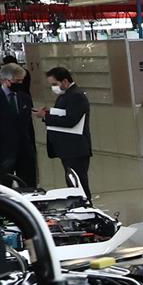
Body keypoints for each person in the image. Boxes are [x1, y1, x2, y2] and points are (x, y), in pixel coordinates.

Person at [36, 67, 93, 201]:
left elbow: (70, 120)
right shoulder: (66, 95)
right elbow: (63, 113)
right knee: (72, 181)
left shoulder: (76, 96)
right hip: (67, 148)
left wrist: (45, 117)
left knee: (79, 182)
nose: (54, 87)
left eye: (55, 84)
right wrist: (48, 113)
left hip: (76, 148)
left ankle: (86, 208)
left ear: (65, 81)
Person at [0, 63, 36, 187]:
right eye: (17, 81)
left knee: (28, 185)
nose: (20, 84)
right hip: (3, 152)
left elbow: (28, 126)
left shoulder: (24, 98)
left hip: (24, 151)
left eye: (21, 81)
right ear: (5, 80)